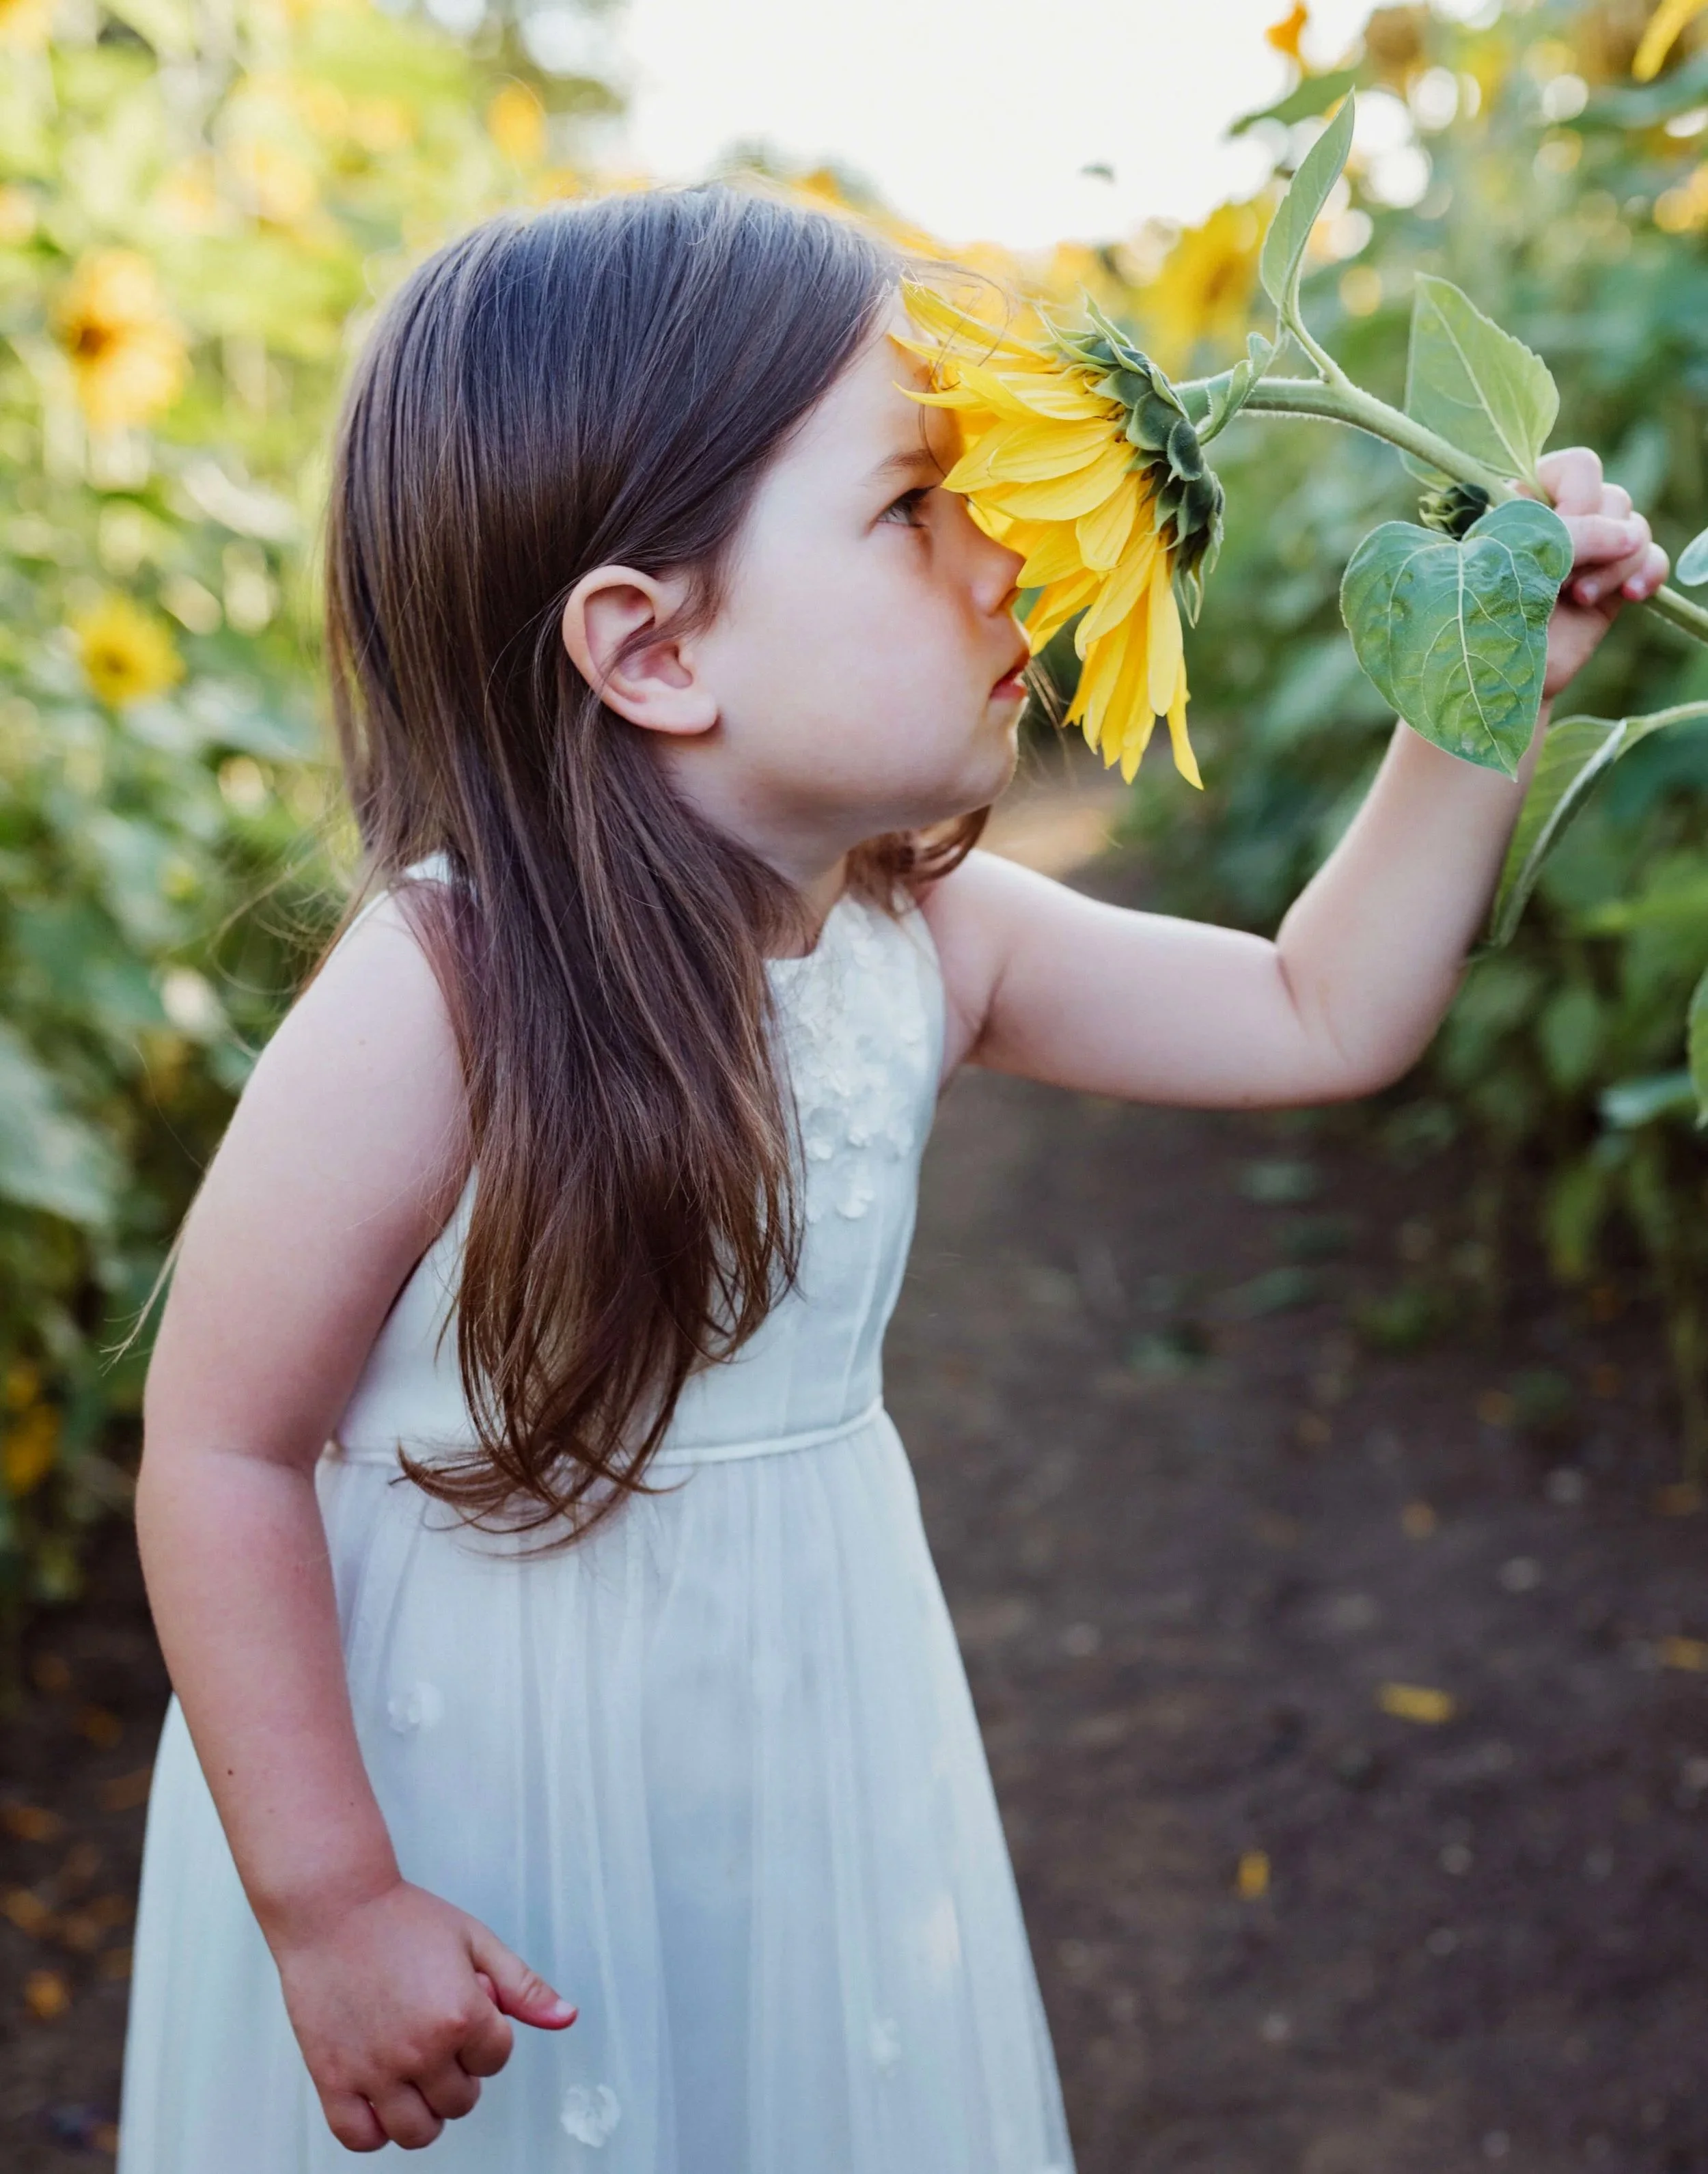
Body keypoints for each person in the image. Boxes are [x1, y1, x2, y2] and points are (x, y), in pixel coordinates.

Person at [114, 182, 1667, 2173]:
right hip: (439, 1786)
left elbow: (1313, 1007)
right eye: (915, 502)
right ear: (652, 647)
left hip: (805, 1738)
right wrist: (329, 1898)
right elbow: (222, 1443)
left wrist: (1490, 681)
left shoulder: (924, 939)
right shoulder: (447, 987)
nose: (1009, 539)